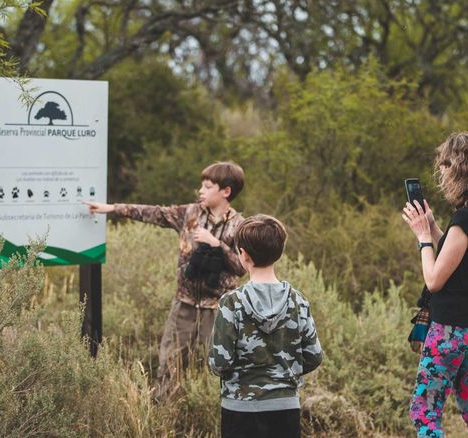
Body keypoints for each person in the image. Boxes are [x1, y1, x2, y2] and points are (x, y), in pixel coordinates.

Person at [85, 161, 247, 397]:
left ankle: (219, 414)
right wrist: (111, 208)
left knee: (222, 367)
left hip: (219, 308)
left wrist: (217, 245)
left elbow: (242, 268)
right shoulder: (189, 213)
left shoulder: (239, 225)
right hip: (184, 304)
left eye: (207, 186)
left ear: (226, 191)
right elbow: (155, 213)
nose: (200, 191)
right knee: (170, 366)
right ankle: (164, 414)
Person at [402, 132, 468, 438]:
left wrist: (423, 239)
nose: (442, 173)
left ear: (459, 169)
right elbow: (460, 257)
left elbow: (435, 279)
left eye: (445, 166)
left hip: (451, 330)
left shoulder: (466, 219)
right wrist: (435, 227)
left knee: (425, 412)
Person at [208, 214, 323, 438]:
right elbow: (314, 356)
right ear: (278, 252)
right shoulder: (298, 300)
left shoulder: (231, 302)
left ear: (243, 255)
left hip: (240, 409)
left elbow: (219, 362)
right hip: (285, 407)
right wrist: (285, 374)